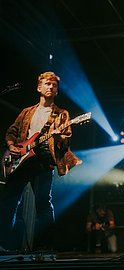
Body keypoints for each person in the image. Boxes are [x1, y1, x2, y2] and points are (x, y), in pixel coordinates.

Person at [0, 71, 81, 250]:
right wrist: (12, 145)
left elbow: (66, 139)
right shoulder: (27, 112)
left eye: (54, 85)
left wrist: (59, 137)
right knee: (8, 202)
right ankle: (4, 244)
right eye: (47, 84)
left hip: (44, 162)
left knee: (43, 204)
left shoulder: (61, 115)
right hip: (21, 161)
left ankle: (45, 247)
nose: (51, 87)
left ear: (57, 91)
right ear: (39, 87)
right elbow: (11, 131)